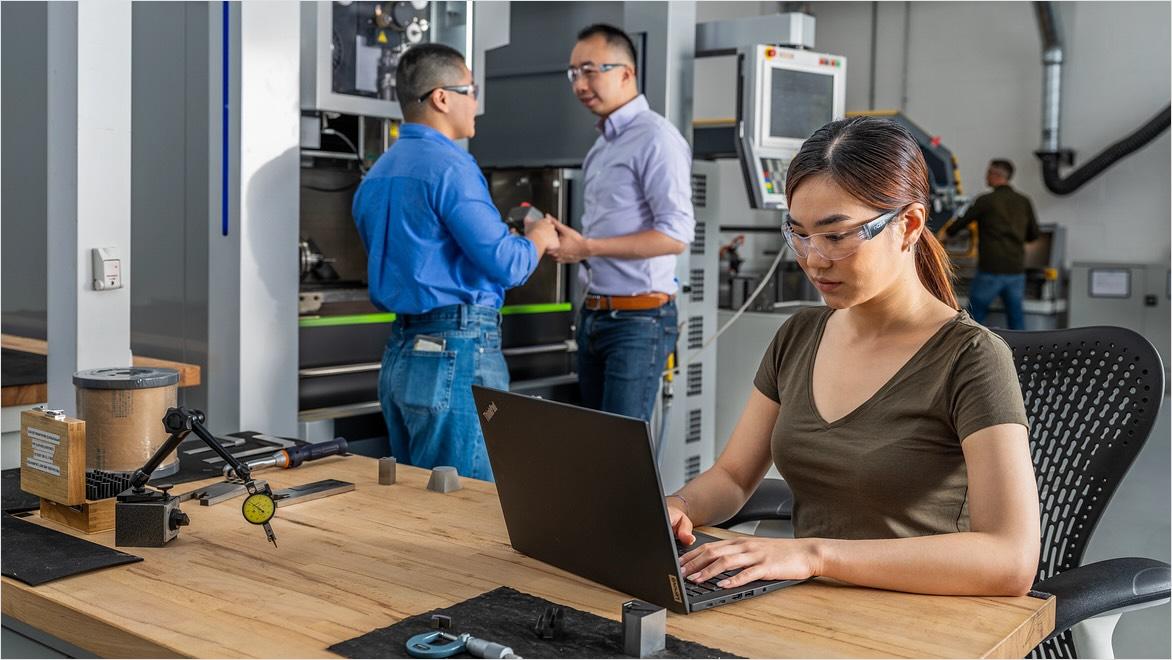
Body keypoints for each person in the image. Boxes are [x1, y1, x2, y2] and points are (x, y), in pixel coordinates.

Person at [666, 117, 1040, 597]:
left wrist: (812, 554)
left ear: (908, 225)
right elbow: (734, 477)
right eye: (798, 234)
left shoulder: (971, 358)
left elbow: (1010, 560)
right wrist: (679, 504)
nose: (814, 259)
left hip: (921, 618)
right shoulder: (799, 335)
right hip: (809, 609)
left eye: (836, 236)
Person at [352, 43, 560, 482]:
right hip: (457, 349)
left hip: (401, 357)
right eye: (471, 90)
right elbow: (509, 264)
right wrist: (538, 238)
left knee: (414, 504)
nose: (477, 105)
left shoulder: (379, 172)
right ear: (441, 97)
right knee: (467, 507)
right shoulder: (452, 168)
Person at [550, 24, 695, 422]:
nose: (579, 84)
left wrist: (588, 248)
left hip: (638, 322)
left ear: (626, 73)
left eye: (590, 71)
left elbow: (675, 234)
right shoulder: (602, 147)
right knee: (594, 450)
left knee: (620, 457)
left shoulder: (656, 139)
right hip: (594, 316)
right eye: (574, 73)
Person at [945, 159, 1040, 330]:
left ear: (996, 175)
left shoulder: (986, 200)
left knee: (974, 321)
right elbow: (1033, 234)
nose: (986, 176)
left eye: (989, 172)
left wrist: (946, 233)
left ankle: (973, 355)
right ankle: (1020, 355)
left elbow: (960, 223)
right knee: (1016, 320)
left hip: (991, 270)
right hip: (1016, 271)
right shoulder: (1024, 201)